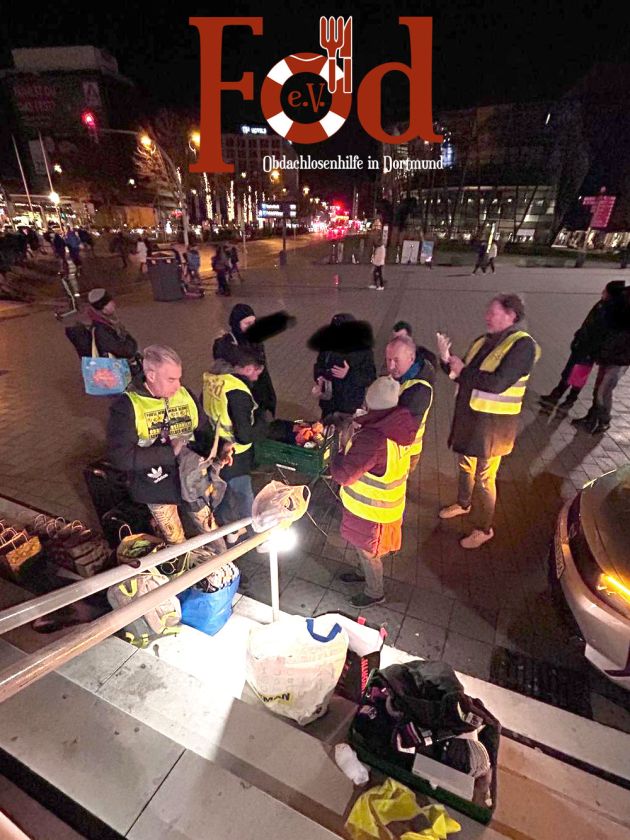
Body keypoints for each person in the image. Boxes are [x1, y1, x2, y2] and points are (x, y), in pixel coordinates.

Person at [437, 294, 539, 549]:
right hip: (471, 419)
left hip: (493, 427)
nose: (486, 317)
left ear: (511, 315)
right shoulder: (484, 341)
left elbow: (497, 383)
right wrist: (446, 358)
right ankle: (463, 503)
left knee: (484, 478)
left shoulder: (522, 345)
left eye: (492, 313)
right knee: (465, 466)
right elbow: (465, 376)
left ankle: (484, 528)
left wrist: (462, 371)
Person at [107, 345, 214, 549]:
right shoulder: (127, 406)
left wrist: (220, 449)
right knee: (176, 541)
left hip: (190, 479)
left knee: (210, 528)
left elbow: (203, 429)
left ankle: (221, 567)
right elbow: (120, 457)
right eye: (171, 379)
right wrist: (168, 453)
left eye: (179, 378)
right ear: (151, 375)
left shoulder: (185, 394)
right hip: (155, 486)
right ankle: (186, 574)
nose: (178, 386)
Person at [331, 377, 418, 607]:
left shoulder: (373, 438)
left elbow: (344, 475)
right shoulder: (399, 424)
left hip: (372, 513)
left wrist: (339, 449)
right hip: (381, 508)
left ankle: (374, 592)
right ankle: (363, 574)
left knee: (369, 553)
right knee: (364, 550)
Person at [202, 347, 269, 544]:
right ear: (248, 368)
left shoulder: (214, 379)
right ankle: (257, 537)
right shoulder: (237, 391)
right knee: (244, 494)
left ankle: (228, 531)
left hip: (215, 447)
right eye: (257, 371)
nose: (257, 377)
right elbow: (244, 435)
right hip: (234, 454)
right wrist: (263, 423)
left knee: (222, 493)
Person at [540, 281, 625, 414]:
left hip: (589, 350)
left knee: (578, 375)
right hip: (582, 345)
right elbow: (589, 323)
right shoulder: (602, 305)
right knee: (569, 371)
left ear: (610, 294)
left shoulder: (610, 310)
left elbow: (599, 331)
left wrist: (590, 347)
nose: (602, 292)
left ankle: (569, 400)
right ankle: (556, 394)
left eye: (605, 290)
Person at [572, 285, 630, 434]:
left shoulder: (623, 305)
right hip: (608, 355)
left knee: (603, 391)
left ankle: (604, 420)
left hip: (619, 359)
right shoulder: (621, 298)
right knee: (599, 389)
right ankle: (592, 417)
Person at [213, 303, 277, 417]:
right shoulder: (224, 345)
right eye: (247, 323)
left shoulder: (256, 341)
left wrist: (270, 398)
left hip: (259, 397)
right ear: (236, 324)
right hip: (240, 400)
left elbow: (263, 373)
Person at [313, 313, 377, 424]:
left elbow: (370, 377)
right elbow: (319, 365)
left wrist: (348, 374)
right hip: (328, 404)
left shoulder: (363, 351)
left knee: (345, 437)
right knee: (325, 433)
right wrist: (319, 378)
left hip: (349, 407)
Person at [384, 336, 434, 474]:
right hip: (396, 448)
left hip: (404, 452)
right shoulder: (403, 376)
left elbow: (404, 430)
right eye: (388, 360)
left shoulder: (419, 390)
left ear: (411, 359)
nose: (391, 366)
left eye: (396, 360)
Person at [85, 288, 142, 375]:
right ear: (103, 307)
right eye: (110, 302)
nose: (114, 304)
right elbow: (126, 351)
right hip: (118, 371)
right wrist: (131, 342)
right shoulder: (102, 329)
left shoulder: (106, 322)